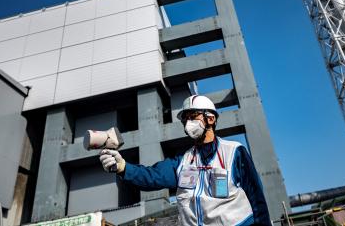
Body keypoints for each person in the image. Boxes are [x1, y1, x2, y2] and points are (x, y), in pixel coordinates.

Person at [99, 95, 271, 226]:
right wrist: (123, 167)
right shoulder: (184, 162)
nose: (188, 123)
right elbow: (152, 176)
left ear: (210, 119)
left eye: (193, 116)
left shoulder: (233, 152)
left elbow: (256, 197)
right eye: (184, 119)